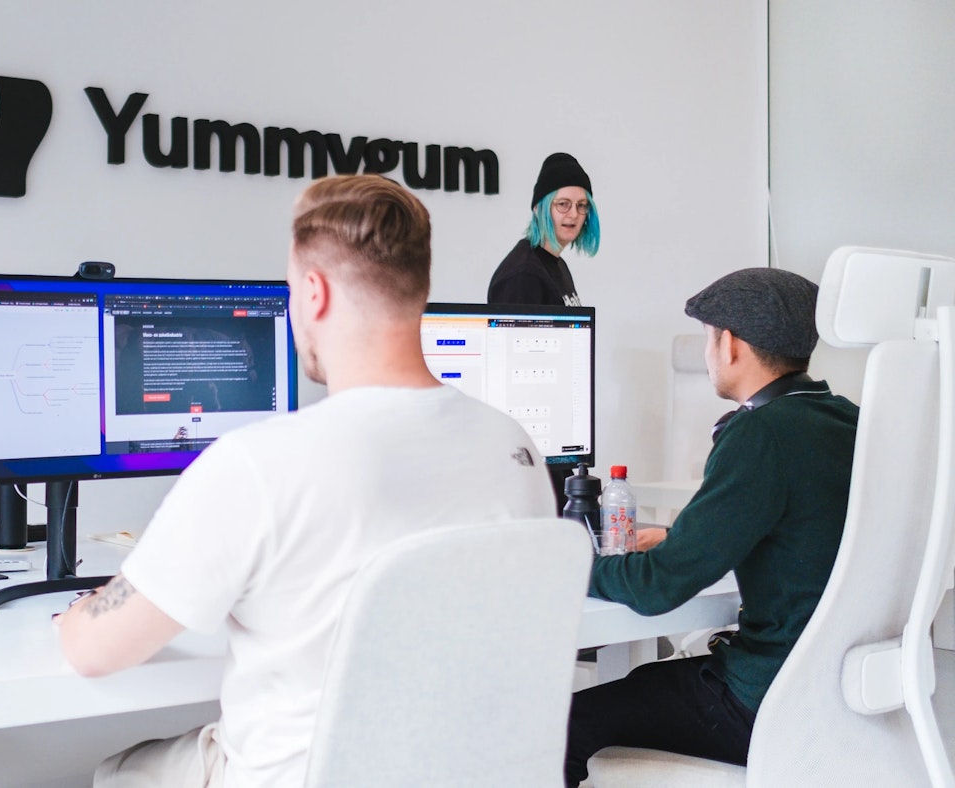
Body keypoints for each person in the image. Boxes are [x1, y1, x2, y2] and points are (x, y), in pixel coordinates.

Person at [56, 174, 558, 787]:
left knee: (115, 772)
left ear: (313, 292)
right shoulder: (516, 449)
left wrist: (82, 613)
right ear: (419, 289)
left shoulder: (257, 464)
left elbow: (95, 650)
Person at [563, 268, 860, 787]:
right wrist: (681, 541)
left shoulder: (762, 434)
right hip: (841, 695)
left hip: (765, 700)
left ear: (730, 345)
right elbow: (802, 529)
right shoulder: (846, 419)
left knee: (558, 726)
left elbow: (658, 587)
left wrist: (572, 565)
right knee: (643, 685)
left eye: (707, 338)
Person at [486, 152, 600, 307]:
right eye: (563, 204)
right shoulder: (523, 276)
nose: (574, 214)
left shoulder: (557, 265)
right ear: (538, 209)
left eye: (581, 205)